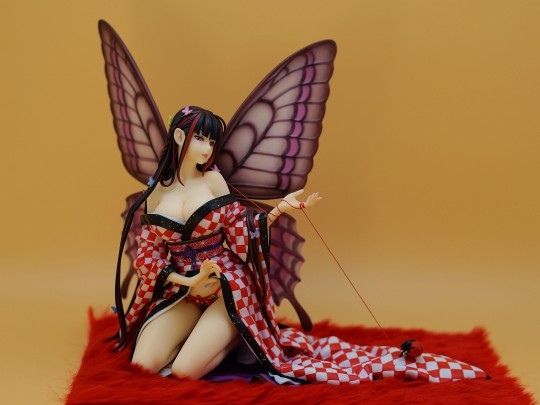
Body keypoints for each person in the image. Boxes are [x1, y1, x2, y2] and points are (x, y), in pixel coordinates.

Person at [114, 106, 487, 384]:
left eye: (212, 141)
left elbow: (243, 230)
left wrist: (278, 210)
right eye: (201, 138)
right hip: (183, 290)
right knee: (142, 366)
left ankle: (241, 336)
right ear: (180, 138)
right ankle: (206, 334)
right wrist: (189, 281)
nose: (208, 148)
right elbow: (149, 256)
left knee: (183, 371)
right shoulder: (155, 194)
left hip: (226, 290)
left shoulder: (213, 183)